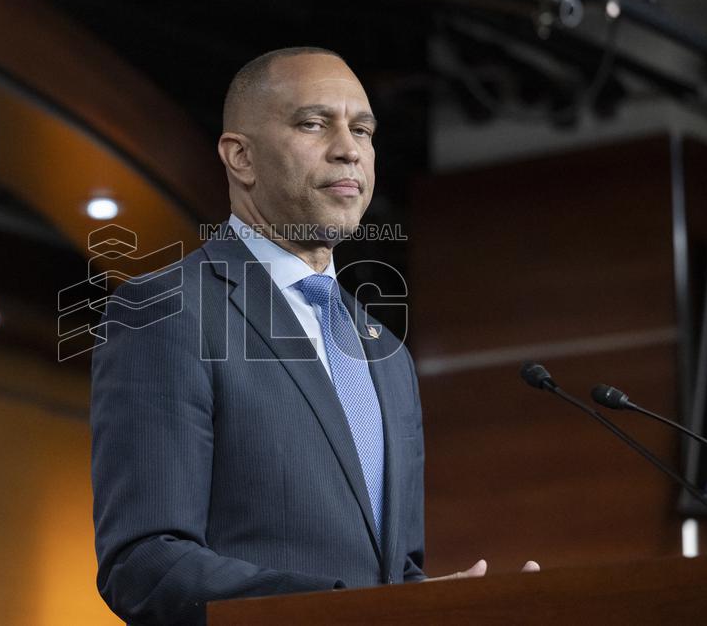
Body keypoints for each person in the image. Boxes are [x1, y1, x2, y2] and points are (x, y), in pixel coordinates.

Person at [90, 47, 535, 626]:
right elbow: (146, 564)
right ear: (241, 157)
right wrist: (348, 613)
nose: (350, 148)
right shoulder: (165, 311)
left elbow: (393, 578)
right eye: (313, 123)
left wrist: (452, 608)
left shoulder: (386, 354)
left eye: (363, 129)